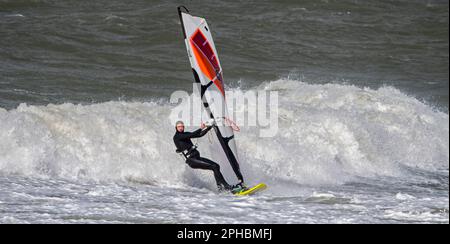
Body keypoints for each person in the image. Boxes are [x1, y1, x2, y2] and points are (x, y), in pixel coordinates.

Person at [173, 120, 241, 192]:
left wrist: (209, 127)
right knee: (214, 167)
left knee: (216, 166)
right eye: (179, 126)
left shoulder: (184, 134)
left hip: (196, 158)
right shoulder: (177, 136)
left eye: (182, 126)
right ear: (176, 128)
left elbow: (199, 134)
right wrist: (201, 128)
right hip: (191, 160)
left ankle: (221, 188)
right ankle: (226, 187)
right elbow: (193, 134)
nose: (180, 128)